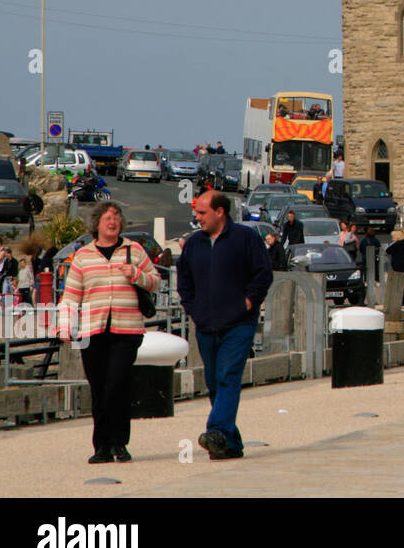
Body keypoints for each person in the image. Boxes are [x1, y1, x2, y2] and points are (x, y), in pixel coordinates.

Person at [56, 200, 159, 464]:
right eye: (107, 218)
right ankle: (101, 446)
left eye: (116, 217)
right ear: (97, 224)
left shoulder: (133, 250)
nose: (112, 222)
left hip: (127, 331)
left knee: (117, 385)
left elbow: (155, 281)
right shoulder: (83, 256)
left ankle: (119, 443)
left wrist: (136, 274)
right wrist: (64, 326)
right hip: (93, 330)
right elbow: (71, 296)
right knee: (99, 388)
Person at [177, 190, 273, 461]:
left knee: (228, 375)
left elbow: (263, 273)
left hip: (239, 323)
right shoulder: (194, 244)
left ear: (220, 212)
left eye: (202, 213)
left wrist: (247, 302)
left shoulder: (246, 238)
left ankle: (216, 430)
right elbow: (184, 281)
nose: (197, 218)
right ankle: (229, 444)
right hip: (206, 324)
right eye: (196, 213)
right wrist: (192, 308)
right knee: (214, 381)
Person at [385, 229, 404, 307]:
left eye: (393, 237)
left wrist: (393, 243)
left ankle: (403, 302)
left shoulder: (396, 244)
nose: (392, 238)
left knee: (399, 285)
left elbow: (388, 250)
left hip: (398, 267)